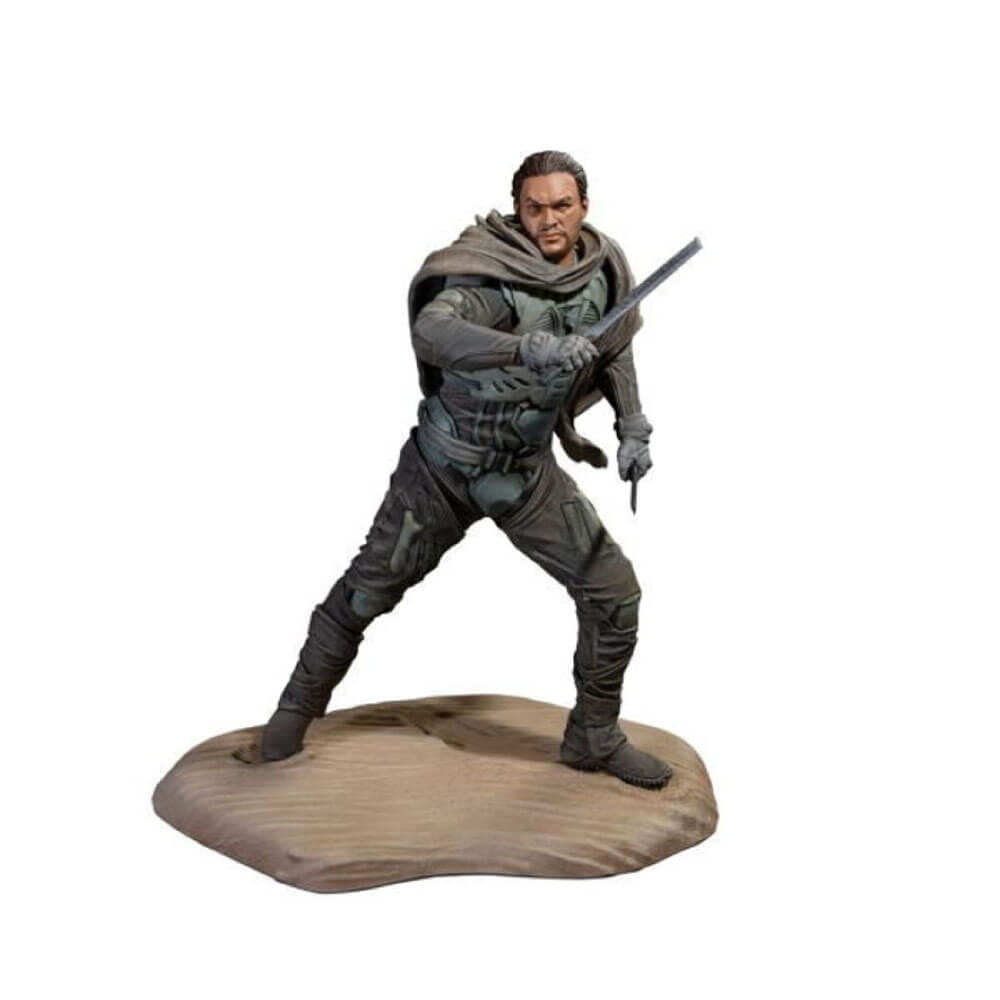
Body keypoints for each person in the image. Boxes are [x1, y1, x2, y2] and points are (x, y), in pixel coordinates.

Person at [260, 150, 671, 789]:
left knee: (614, 594)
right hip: (443, 472)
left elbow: (613, 346)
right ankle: (291, 715)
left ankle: (594, 737)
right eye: (535, 207)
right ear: (517, 210)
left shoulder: (602, 269)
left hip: (525, 477)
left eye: (563, 206)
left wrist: (632, 427)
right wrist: (528, 348)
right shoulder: (489, 274)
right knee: (366, 593)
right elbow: (434, 331)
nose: (550, 220)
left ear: (584, 206)